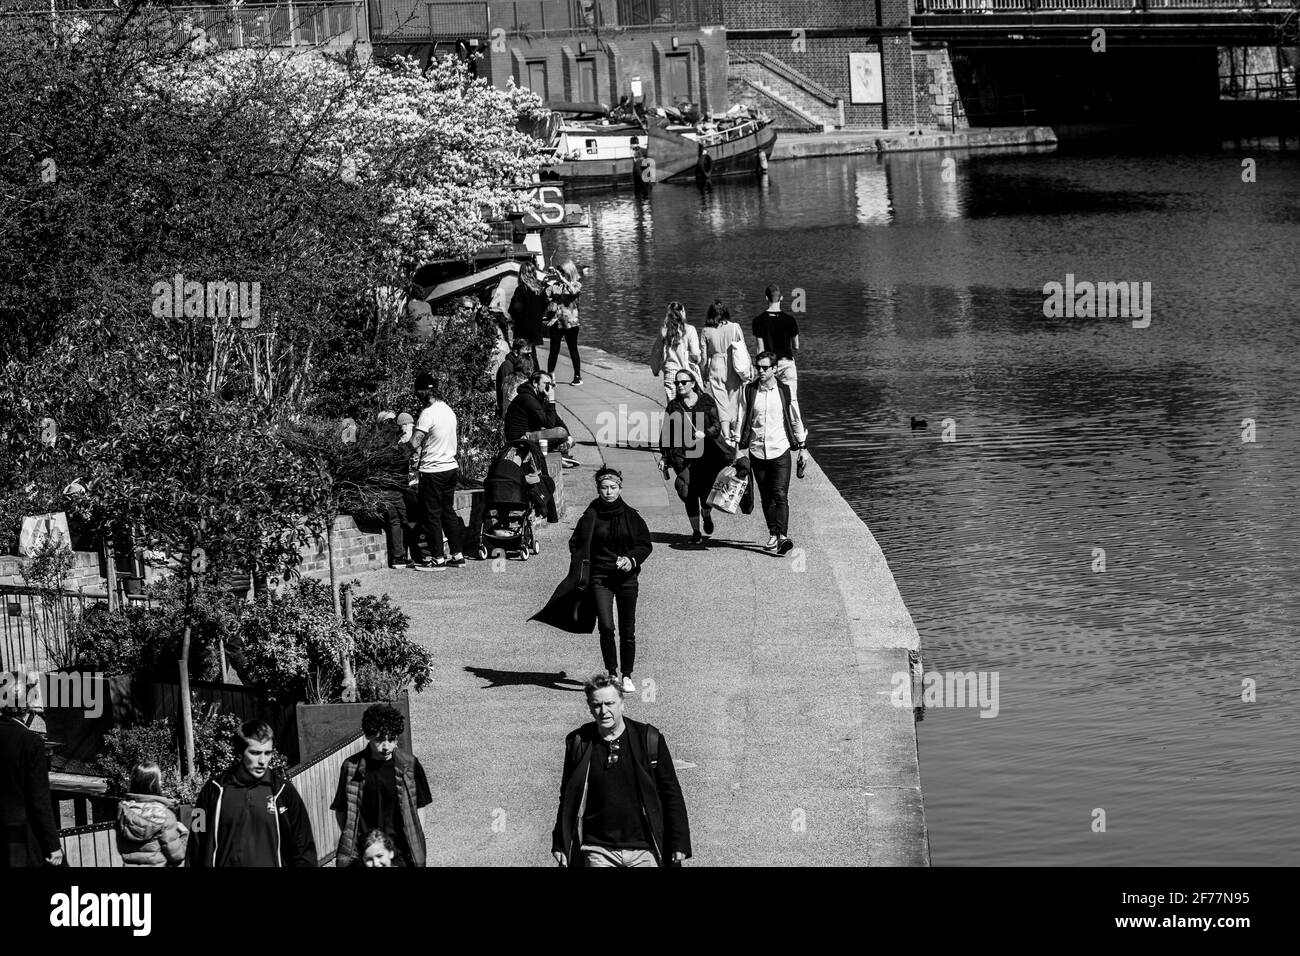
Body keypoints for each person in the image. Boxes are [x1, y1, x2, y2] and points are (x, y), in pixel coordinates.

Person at [551, 672, 691, 868]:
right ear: (590, 708)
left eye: (609, 704)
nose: (603, 711)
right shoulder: (579, 742)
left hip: (645, 849)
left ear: (622, 704)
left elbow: (671, 793)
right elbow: (567, 796)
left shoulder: (648, 739)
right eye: (596, 705)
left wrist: (679, 841)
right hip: (597, 849)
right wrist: (560, 840)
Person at [187, 720, 317, 867]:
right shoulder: (212, 791)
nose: (262, 760)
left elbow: (304, 848)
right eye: (255, 753)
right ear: (240, 752)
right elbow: (195, 844)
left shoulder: (284, 792)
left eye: (267, 753)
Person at [574, 469, 651, 692]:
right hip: (600, 577)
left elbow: (645, 544)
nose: (608, 492)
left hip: (626, 578)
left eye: (613, 487)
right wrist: (583, 566)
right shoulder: (590, 516)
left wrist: (632, 559)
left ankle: (627, 675)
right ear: (598, 489)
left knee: (628, 629)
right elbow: (576, 542)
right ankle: (612, 673)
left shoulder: (631, 516)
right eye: (604, 488)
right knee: (606, 627)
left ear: (620, 488)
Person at [332, 703, 431, 868]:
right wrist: (356, 841)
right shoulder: (351, 767)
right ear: (368, 736)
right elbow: (342, 810)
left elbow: (419, 805)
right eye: (379, 740)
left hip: (400, 854)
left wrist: (417, 837)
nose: (386, 746)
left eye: (391, 739)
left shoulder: (409, 765)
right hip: (367, 856)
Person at [733, 351, 809, 555]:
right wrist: (737, 449)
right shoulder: (749, 391)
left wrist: (802, 447)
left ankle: (782, 536)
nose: (761, 371)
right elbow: (740, 418)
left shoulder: (784, 390)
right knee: (766, 496)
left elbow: (795, 419)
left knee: (780, 494)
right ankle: (773, 534)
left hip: (781, 450)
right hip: (757, 451)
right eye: (759, 367)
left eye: (765, 368)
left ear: (775, 369)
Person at [660, 369, 730, 545]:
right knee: (688, 492)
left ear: (693, 383)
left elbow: (716, 427)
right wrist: (664, 457)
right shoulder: (673, 405)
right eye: (677, 383)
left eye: (684, 382)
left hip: (705, 455)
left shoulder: (706, 401)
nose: (680, 386)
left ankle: (706, 514)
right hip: (681, 456)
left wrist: (704, 433)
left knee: (705, 493)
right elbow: (667, 433)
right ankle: (696, 532)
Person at [409, 371, 465, 569]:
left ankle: (438, 558)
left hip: (433, 470)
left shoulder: (428, 413)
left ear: (423, 392)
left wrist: (406, 450)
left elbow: (415, 440)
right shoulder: (448, 410)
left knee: (431, 514)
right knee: (447, 511)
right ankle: (458, 555)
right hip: (451, 467)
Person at [0, 693, 62, 868]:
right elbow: (39, 798)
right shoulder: (31, 741)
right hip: (22, 831)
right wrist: (53, 844)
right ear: (26, 711)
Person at [115, 761, 188, 867]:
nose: (161, 783)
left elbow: (120, 848)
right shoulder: (165, 815)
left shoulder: (122, 812)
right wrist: (184, 835)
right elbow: (177, 855)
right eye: (159, 780)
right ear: (153, 784)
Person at [368, 411, 414, 569]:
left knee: (396, 521)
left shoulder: (375, 439)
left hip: (382, 487)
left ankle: (399, 557)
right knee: (404, 520)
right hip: (395, 487)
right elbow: (404, 457)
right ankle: (402, 556)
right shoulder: (395, 437)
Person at [699, 299, 748, 443]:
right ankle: (734, 431)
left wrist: (703, 373)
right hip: (733, 365)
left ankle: (726, 435)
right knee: (734, 399)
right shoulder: (734, 327)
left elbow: (703, 357)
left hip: (715, 365)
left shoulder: (706, 331)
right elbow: (742, 348)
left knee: (721, 402)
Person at [503, 370, 576, 462]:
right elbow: (549, 424)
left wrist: (569, 437)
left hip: (530, 435)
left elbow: (556, 419)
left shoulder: (537, 397)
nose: (548, 388)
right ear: (535, 383)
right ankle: (558, 452)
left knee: (560, 424)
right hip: (520, 439)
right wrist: (551, 400)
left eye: (550, 385)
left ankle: (560, 451)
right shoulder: (528, 399)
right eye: (545, 383)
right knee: (561, 432)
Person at [751, 284, 801, 401]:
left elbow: (760, 349)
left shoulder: (758, 320)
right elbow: (796, 346)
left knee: (770, 399)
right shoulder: (790, 320)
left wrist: (757, 367)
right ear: (781, 298)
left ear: (766, 298)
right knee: (791, 400)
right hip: (787, 363)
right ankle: (794, 420)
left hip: (769, 365)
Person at [650, 301, 701, 404]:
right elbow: (695, 353)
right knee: (691, 406)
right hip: (686, 374)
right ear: (682, 312)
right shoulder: (690, 330)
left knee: (674, 409)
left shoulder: (664, 331)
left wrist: (655, 369)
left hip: (671, 374)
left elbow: (656, 352)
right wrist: (697, 360)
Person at [545, 260, 584, 385]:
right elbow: (544, 295)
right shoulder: (555, 285)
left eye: (562, 271)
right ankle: (550, 376)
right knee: (553, 350)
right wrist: (545, 283)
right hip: (557, 322)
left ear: (568, 272)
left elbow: (574, 292)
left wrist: (564, 280)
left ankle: (577, 376)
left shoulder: (576, 284)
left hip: (571, 323)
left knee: (573, 349)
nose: (559, 274)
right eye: (559, 271)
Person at [496, 335, 536, 419]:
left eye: (530, 354)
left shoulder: (523, 365)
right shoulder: (507, 366)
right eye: (526, 354)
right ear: (516, 352)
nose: (529, 357)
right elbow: (507, 394)